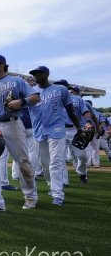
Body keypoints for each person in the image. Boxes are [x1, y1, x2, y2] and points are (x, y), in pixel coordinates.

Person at [0, 55, 39, 213]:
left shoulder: (17, 80)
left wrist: (22, 102)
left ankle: (31, 197)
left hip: (13, 123)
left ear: (3, 64)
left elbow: (35, 97)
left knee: (23, 161)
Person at [28, 66, 83, 205]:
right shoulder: (31, 91)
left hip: (56, 128)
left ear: (46, 74)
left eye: (38, 73)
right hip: (38, 130)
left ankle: (58, 194)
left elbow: (70, 110)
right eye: (34, 74)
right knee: (45, 164)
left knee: (56, 161)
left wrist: (79, 127)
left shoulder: (61, 89)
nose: (35, 75)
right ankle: (52, 186)